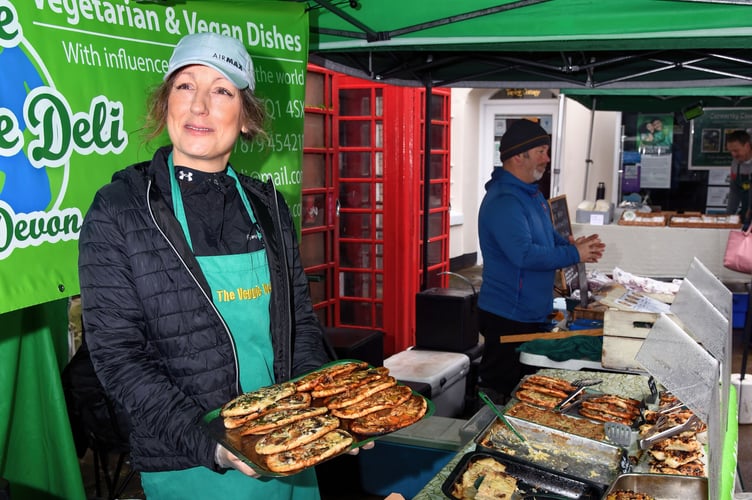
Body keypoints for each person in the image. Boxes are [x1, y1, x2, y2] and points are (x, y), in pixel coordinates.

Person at [78, 32, 345, 499]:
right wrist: (215, 445)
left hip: (289, 448)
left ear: (246, 118)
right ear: (165, 105)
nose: (199, 106)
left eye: (221, 90)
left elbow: (298, 325)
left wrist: (321, 405)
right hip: (190, 459)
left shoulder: (268, 206)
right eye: (185, 86)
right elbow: (119, 358)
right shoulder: (120, 210)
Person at [476, 119, 605, 401]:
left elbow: (546, 237)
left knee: (525, 389)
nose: (547, 159)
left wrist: (570, 244)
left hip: (531, 311)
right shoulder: (504, 201)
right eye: (541, 152)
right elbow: (523, 255)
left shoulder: (532, 195)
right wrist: (574, 254)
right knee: (501, 387)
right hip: (507, 315)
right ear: (519, 156)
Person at [725, 130, 752, 225]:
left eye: (736, 150)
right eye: (730, 151)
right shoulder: (735, 164)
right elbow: (734, 192)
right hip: (746, 216)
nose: (733, 154)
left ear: (747, 146)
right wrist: (728, 216)